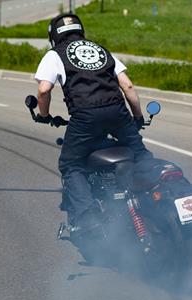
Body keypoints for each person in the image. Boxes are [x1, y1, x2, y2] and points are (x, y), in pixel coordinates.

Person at [34, 14, 152, 230]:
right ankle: (153, 197)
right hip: (118, 112)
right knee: (141, 154)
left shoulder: (55, 55)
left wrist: (44, 114)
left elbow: (43, 89)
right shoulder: (100, 50)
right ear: (81, 31)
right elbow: (128, 87)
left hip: (85, 117)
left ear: (53, 36)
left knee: (70, 165)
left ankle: (89, 218)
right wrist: (137, 117)